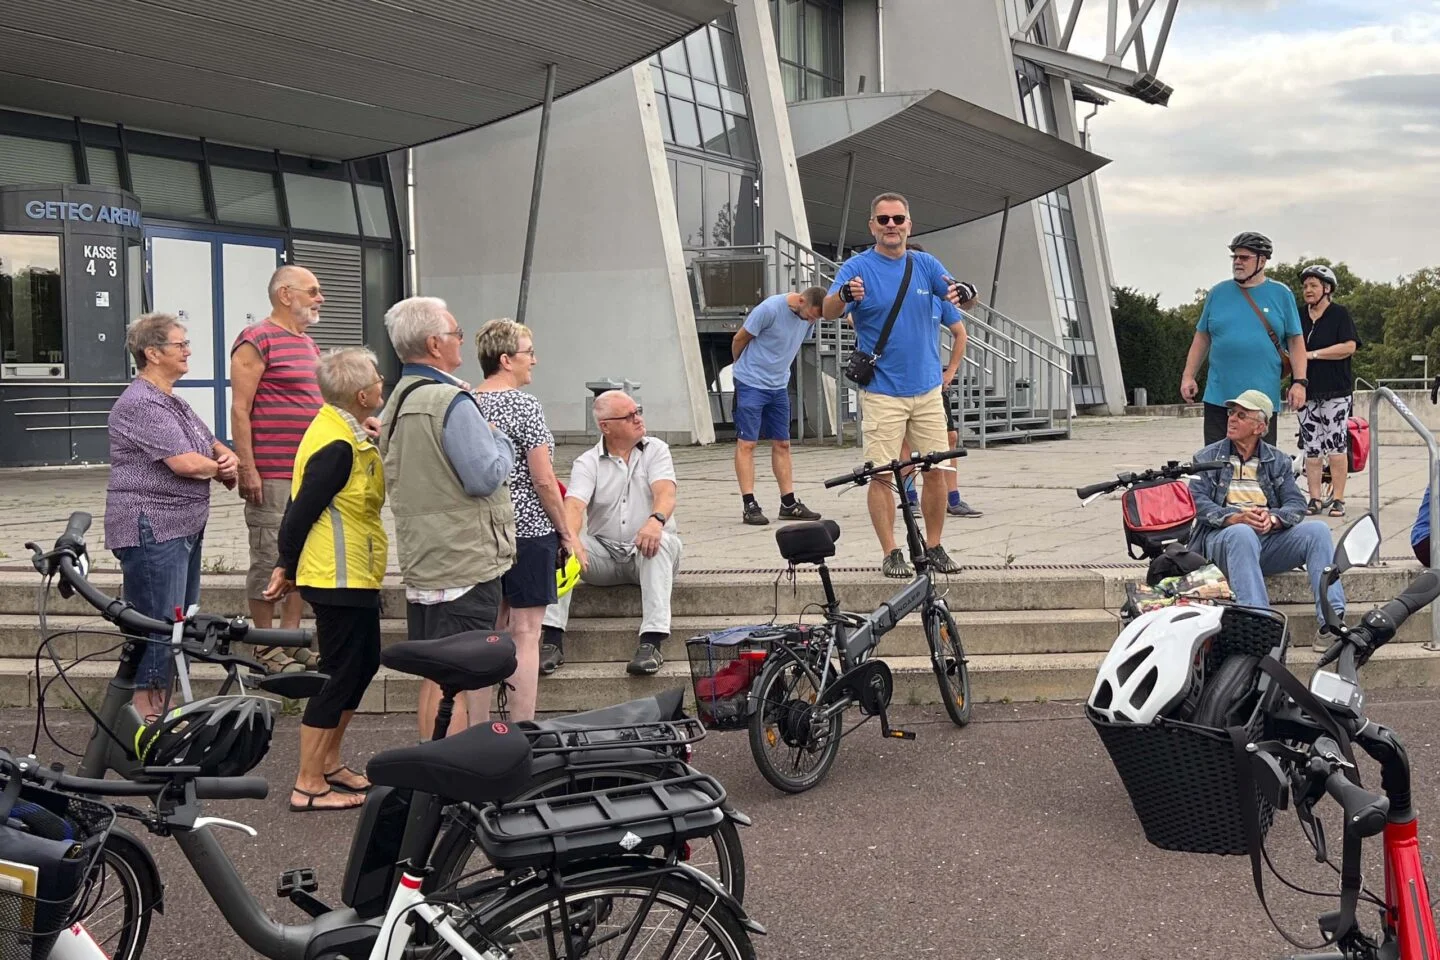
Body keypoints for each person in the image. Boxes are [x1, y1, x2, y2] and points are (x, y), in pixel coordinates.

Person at [378, 297, 516, 738]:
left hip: (429, 555)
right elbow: (484, 476)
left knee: (437, 675)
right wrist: (502, 441)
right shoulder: (449, 400)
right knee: (458, 677)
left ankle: (430, 763)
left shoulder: (400, 398)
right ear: (435, 344)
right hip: (464, 558)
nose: (460, 340)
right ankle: (447, 776)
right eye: (456, 334)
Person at [822, 192, 976, 578]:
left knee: (935, 470)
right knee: (881, 474)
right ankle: (891, 552)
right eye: (883, 220)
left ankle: (935, 545)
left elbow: (958, 300)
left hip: (926, 391)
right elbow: (827, 310)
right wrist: (843, 296)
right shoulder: (857, 267)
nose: (891, 225)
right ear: (872, 225)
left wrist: (967, 293)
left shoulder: (925, 264)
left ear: (910, 224)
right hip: (882, 392)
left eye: (898, 219)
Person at [262, 348, 386, 812]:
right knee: (337, 673)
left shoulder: (345, 430)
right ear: (362, 393)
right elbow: (299, 511)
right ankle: (308, 782)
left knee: (364, 663)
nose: (382, 383)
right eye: (377, 379)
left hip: (352, 569)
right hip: (337, 573)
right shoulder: (336, 443)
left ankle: (330, 762)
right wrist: (286, 566)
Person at [105, 313, 238, 719]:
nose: (188, 351)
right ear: (152, 353)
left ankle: (159, 715)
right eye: (180, 345)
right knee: (159, 628)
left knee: (178, 624)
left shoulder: (170, 400)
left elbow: (207, 441)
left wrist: (224, 454)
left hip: (181, 525)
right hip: (153, 527)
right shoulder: (141, 402)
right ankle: (146, 719)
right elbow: (184, 462)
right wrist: (223, 468)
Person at [472, 319, 576, 716]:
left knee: (486, 634)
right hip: (529, 529)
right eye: (528, 352)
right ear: (505, 359)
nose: (535, 359)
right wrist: (565, 532)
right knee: (526, 632)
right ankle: (521, 728)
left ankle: (480, 727)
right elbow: (544, 479)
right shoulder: (524, 405)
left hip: (481, 530)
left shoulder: (464, 402)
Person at [1187, 389, 1344, 648]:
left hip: (1265, 541)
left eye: (1241, 415)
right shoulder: (1206, 458)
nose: (1232, 419)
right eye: (1231, 413)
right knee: (1242, 533)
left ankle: (1332, 622)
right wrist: (1234, 517)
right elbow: (1197, 504)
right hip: (1222, 544)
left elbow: (1295, 505)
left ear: (1260, 426)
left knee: (1318, 531)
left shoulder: (1278, 460)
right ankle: (1259, 624)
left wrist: (1272, 518)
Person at [540, 391, 680, 676]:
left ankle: (652, 644)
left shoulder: (656, 449)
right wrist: (573, 540)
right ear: (606, 426)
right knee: (560, 546)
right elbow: (574, 506)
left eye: (638, 411)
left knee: (660, 541)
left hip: (647, 551)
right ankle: (551, 642)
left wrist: (656, 519)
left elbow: (665, 492)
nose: (638, 419)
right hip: (603, 554)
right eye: (629, 416)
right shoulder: (587, 462)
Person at [229, 265, 326, 674]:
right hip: (272, 473)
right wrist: (247, 467)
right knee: (270, 556)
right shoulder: (256, 340)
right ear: (285, 294)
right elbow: (240, 408)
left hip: (309, 473)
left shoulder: (307, 344)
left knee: (303, 557)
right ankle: (265, 647)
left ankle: (290, 639)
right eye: (313, 291)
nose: (320, 298)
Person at [1181, 232, 1308, 446]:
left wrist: (1300, 383)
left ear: (1262, 260)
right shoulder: (1217, 293)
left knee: (1260, 466)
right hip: (1219, 396)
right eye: (1235, 257)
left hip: (1261, 400)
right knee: (1216, 464)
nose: (1238, 262)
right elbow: (1202, 338)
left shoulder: (1281, 294)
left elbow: (1296, 341)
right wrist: (1188, 376)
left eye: (1244, 257)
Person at [894, 242, 981, 518]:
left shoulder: (937, 297)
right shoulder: (892, 292)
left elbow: (960, 333)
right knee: (904, 444)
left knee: (949, 437)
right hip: (895, 382)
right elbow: (852, 317)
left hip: (931, 382)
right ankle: (909, 498)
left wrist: (951, 371)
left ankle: (952, 498)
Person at [731, 287, 825, 525]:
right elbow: (740, 338)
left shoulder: (808, 316)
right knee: (748, 443)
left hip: (778, 384)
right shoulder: (770, 309)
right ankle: (749, 503)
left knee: (783, 443)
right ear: (801, 300)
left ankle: (788, 502)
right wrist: (741, 369)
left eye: (816, 318)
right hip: (751, 382)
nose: (811, 321)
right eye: (811, 315)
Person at [1295, 263, 1360, 518]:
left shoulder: (1339, 314)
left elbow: (1349, 347)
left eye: (1313, 286)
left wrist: (1313, 355)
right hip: (1306, 391)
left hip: (1335, 391)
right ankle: (1314, 498)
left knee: (1335, 445)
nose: (1307, 290)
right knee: (1311, 448)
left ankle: (1339, 499)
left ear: (1327, 288)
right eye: (1305, 286)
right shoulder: (1299, 315)